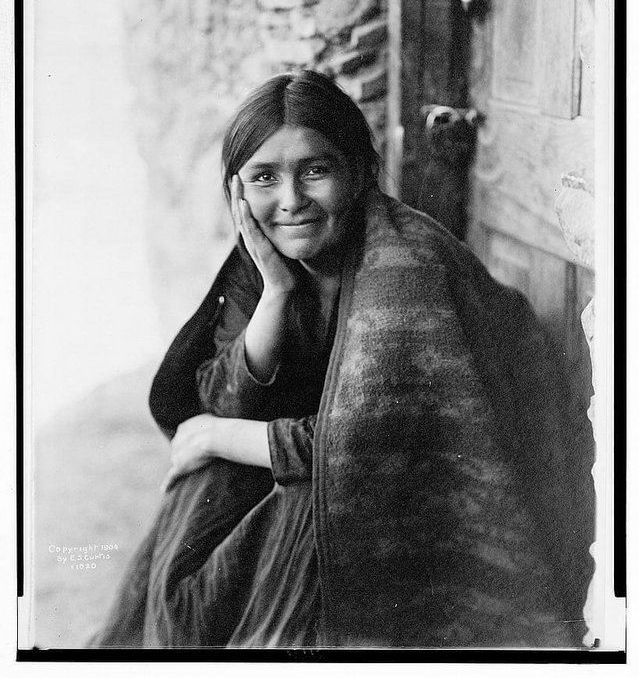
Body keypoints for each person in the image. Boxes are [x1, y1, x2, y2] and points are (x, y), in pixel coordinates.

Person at [92, 70, 593, 650]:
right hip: (337, 457)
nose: (290, 201)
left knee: (298, 502)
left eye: (315, 171)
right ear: (237, 192)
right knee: (201, 514)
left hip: (445, 490)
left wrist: (214, 436)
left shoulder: (403, 268)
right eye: (264, 178)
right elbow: (217, 397)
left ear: (356, 172)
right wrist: (276, 294)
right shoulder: (263, 254)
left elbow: (366, 449)